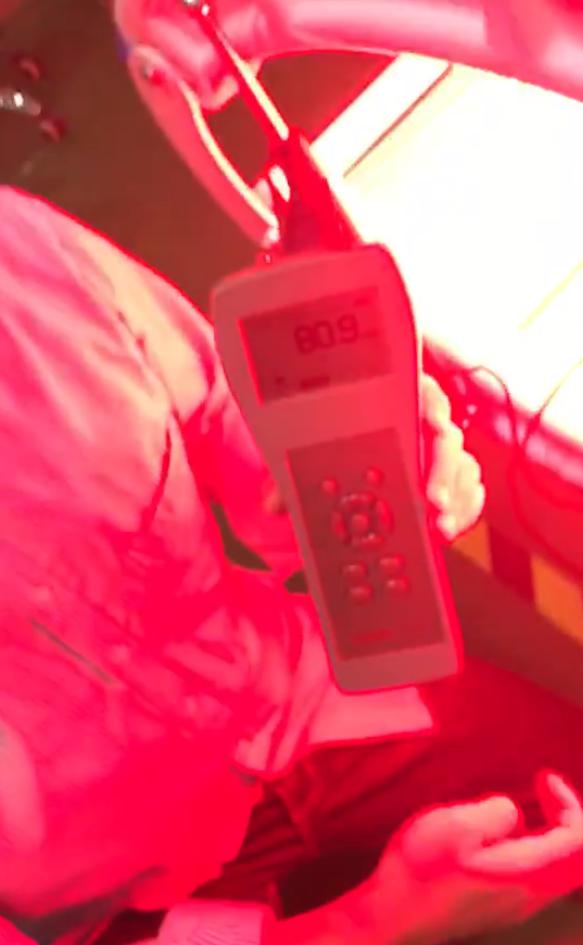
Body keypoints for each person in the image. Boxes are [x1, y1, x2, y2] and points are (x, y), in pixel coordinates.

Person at [2, 181, 583, 945]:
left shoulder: (23, 252)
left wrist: (341, 462)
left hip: (284, 698)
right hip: (110, 915)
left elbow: (213, 411)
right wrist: (365, 926)